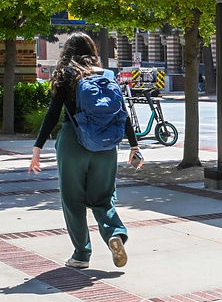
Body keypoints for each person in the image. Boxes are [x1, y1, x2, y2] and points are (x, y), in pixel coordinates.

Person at [27, 32, 143, 270]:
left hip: (73, 142)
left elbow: (52, 114)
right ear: (93, 50)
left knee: (73, 200)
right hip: (106, 144)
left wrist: (38, 147)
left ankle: (81, 254)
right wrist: (134, 145)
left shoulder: (67, 75)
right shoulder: (108, 76)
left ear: (67, 52)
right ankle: (115, 234)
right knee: (103, 197)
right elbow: (123, 114)